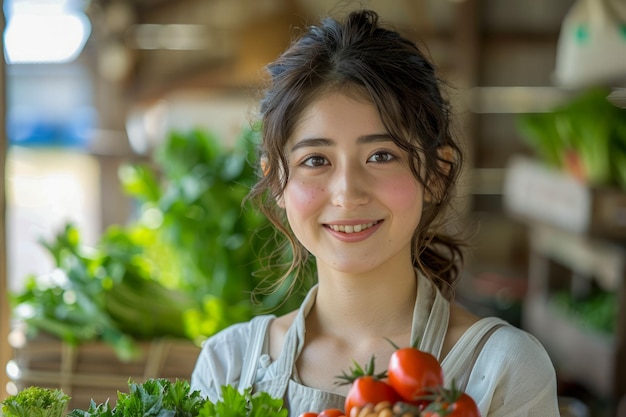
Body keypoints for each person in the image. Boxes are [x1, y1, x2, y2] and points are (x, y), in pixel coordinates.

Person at [190, 9, 561, 417]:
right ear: (277, 180)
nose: (347, 193)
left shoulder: (501, 368)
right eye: (315, 160)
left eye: (381, 155)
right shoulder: (228, 367)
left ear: (436, 174)